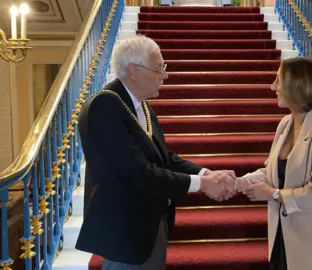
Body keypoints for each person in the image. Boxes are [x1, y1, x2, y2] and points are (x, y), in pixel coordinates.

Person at [75, 35, 235, 270]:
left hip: (148, 225)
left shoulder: (140, 105)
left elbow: (163, 158)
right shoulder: (105, 106)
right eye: (159, 69)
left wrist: (206, 173)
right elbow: (139, 172)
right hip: (125, 232)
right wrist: (202, 184)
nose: (165, 76)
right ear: (134, 71)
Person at [236, 57, 312, 270]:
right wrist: (239, 182)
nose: (273, 86)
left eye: (278, 80)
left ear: (297, 85)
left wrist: (273, 194)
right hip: (285, 240)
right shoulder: (286, 123)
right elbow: (273, 171)